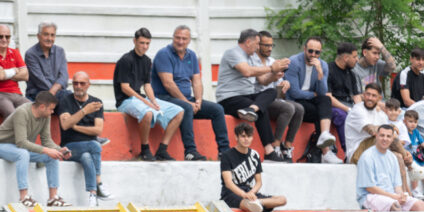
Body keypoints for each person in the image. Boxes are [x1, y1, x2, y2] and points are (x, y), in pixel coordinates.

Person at [153, 25, 230, 161]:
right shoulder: (164, 54)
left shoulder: (191, 55)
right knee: (187, 107)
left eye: (184, 38)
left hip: (185, 99)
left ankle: (224, 152)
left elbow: (196, 81)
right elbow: (168, 84)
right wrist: (187, 102)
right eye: (178, 38)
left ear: (189, 40)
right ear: (173, 37)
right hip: (163, 98)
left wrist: (198, 100)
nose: (180, 41)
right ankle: (190, 151)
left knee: (217, 109)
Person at [216, 29, 290, 162]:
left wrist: (275, 74)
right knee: (262, 109)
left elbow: (262, 80)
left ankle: (252, 109)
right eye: (257, 44)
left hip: (247, 97)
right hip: (229, 98)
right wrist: (271, 68)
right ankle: (269, 152)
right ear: (248, 42)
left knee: (271, 92)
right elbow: (247, 72)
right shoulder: (233, 53)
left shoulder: (251, 57)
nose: (258, 47)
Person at [112, 27, 183, 161]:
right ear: (134, 41)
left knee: (179, 111)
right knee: (147, 113)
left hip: (140, 99)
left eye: (147, 43)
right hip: (125, 101)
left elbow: (147, 85)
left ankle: (162, 149)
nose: (145, 46)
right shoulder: (126, 60)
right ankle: (145, 150)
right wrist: (146, 102)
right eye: (142, 43)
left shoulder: (147, 61)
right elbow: (125, 88)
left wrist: (153, 101)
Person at [0, 92, 71, 208]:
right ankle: (24, 198)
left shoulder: (45, 116)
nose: (53, 112)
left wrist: (59, 150)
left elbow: (46, 140)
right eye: (51, 109)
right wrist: (47, 150)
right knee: (23, 154)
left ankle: (53, 198)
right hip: (0, 145)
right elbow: (21, 142)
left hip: (19, 148)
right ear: (42, 107)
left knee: (52, 156)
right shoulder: (22, 112)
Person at [284, 36, 341, 163]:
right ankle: (326, 152)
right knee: (321, 113)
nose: (313, 55)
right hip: (296, 103)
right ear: (304, 49)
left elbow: (322, 93)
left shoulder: (323, 65)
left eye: (317, 52)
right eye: (310, 51)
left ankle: (324, 135)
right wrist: (313, 95)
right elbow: (294, 93)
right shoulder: (293, 62)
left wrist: (320, 73)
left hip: (310, 103)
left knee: (325, 100)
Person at [58, 72, 110, 206]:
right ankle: (99, 184)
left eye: (82, 83)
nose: (78, 86)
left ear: (88, 84)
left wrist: (74, 126)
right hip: (69, 147)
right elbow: (65, 125)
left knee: (87, 156)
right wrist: (84, 111)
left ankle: (93, 194)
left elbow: (98, 130)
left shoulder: (96, 102)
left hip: (87, 148)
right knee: (95, 145)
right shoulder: (65, 101)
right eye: (75, 83)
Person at [255, 31, 304, 162]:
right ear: (257, 45)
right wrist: (272, 75)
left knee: (299, 108)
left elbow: (279, 95)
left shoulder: (273, 61)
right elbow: (261, 82)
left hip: (273, 99)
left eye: (272, 45)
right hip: (258, 100)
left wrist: (284, 85)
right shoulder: (253, 60)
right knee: (288, 108)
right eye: (266, 45)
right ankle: (275, 146)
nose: (270, 48)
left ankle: (286, 147)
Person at [220, 121, 286, 212]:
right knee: (248, 204)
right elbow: (228, 183)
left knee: (282, 200)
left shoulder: (254, 155)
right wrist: (244, 194)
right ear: (236, 137)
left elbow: (259, 182)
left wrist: (251, 193)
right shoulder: (226, 155)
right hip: (231, 194)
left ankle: (258, 202)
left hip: (250, 192)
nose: (246, 139)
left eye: (249, 136)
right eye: (243, 136)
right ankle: (256, 204)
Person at [327, 42, 361, 155]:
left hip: (348, 105)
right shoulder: (328, 70)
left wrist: (361, 110)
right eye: (355, 56)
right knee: (342, 115)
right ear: (346, 57)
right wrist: (348, 109)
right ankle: (349, 153)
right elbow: (328, 97)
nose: (357, 59)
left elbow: (356, 96)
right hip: (333, 106)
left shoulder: (351, 74)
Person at [25, 21, 68, 100]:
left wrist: (54, 90)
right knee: (66, 99)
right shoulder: (31, 54)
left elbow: (64, 77)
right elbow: (39, 80)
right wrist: (53, 93)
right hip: (37, 94)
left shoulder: (60, 51)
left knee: (72, 98)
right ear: (38, 36)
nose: (49, 38)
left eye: (52, 35)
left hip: (59, 92)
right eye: (46, 34)